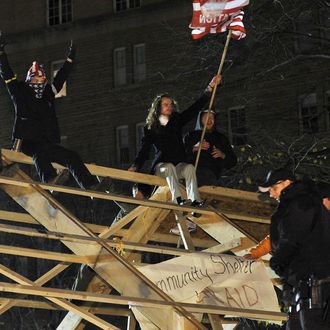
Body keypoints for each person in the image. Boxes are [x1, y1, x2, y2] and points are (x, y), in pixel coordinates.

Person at [0, 32, 108, 191]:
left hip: (46, 141)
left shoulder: (47, 93)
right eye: (35, 80)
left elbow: (61, 77)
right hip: (28, 141)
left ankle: (91, 186)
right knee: (40, 152)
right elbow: (7, 73)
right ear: (30, 80)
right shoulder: (20, 91)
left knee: (72, 157)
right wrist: (1, 54)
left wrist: (70, 58)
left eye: (41, 80)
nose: (38, 83)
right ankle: (50, 179)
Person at [128, 75, 221, 206]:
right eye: (166, 104)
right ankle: (177, 199)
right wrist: (135, 166)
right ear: (158, 107)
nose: (169, 107)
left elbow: (194, 109)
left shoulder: (176, 120)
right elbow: (144, 150)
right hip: (161, 168)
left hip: (177, 165)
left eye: (170, 104)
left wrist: (209, 89)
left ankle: (195, 200)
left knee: (189, 168)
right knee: (169, 166)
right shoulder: (151, 128)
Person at [257, 168, 330, 330]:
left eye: (273, 189)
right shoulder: (300, 203)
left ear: (287, 183)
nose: (271, 194)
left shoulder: (300, 203)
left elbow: (292, 237)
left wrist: (278, 261)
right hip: (303, 283)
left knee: (311, 323)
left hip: (314, 279)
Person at [184, 109, 237, 186]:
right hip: (192, 173)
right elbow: (180, 156)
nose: (210, 120)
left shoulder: (221, 138)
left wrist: (222, 155)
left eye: (212, 117)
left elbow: (233, 161)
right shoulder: (191, 136)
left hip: (212, 175)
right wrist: (195, 148)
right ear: (200, 119)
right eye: (206, 117)